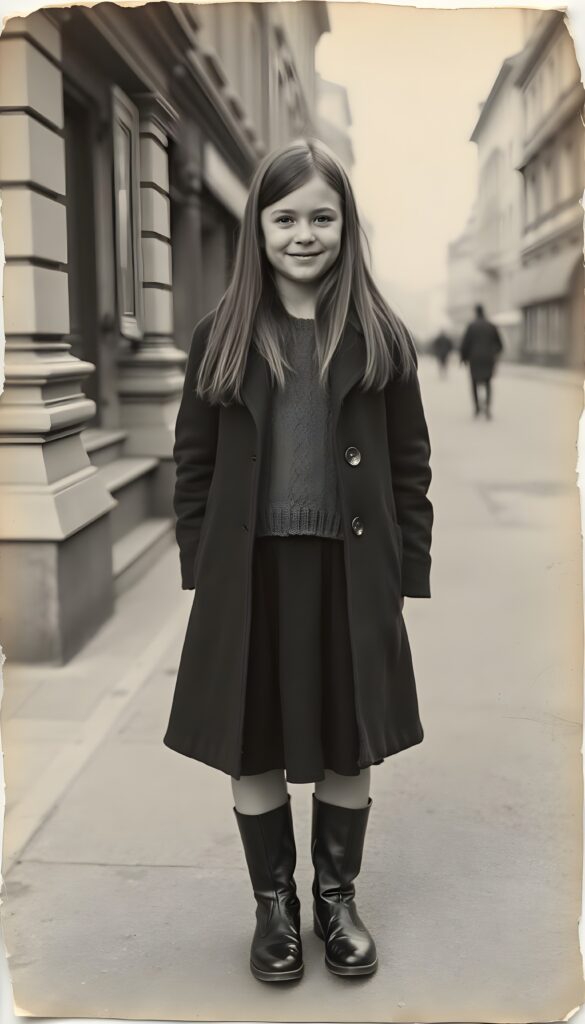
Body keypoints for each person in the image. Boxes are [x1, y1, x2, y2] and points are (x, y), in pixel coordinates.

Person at [163, 138, 433, 984]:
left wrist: (404, 571)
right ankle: (273, 907)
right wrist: (200, 571)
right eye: (286, 218)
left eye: (322, 216)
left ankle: (335, 900)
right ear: (259, 227)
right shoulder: (223, 334)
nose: (303, 234)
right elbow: (195, 464)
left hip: (350, 577)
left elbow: (409, 464)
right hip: (250, 579)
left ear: (345, 227)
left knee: (348, 742)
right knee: (255, 742)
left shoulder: (379, 335)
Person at [460, 304, 504, 419]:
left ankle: (477, 408)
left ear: (476, 312)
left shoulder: (471, 326)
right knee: (488, 382)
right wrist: (493, 353)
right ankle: (488, 407)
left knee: (474, 382)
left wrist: (463, 358)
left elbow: (465, 344)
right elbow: (500, 345)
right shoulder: (491, 326)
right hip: (488, 359)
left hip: (474, 359)